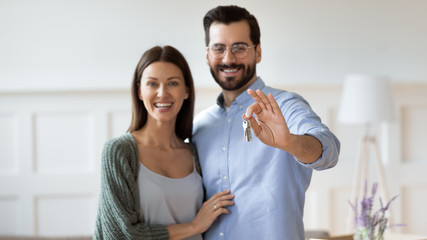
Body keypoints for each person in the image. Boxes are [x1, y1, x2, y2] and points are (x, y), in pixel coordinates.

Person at [192, 6, 341, 240]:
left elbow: (329, 150)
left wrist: (290, 142)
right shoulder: (199, 126)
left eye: (239, 48)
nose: (228, 58)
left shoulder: (285, 105)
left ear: (258, 52)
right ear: (207, 54)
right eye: (218, 48)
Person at [94, 45, 234, 240]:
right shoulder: (119, 151)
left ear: (186, 91)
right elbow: (121, 235)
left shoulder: (194, 152)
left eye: (173, 83)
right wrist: (194, 226)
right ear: (139, 91)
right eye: (152, 84)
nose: (162, 93)